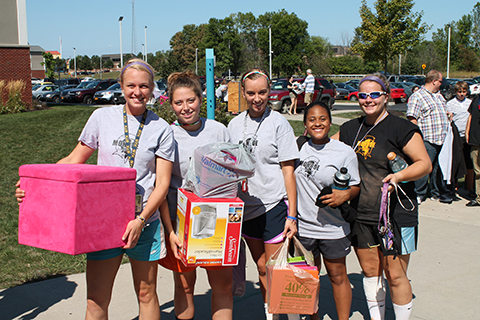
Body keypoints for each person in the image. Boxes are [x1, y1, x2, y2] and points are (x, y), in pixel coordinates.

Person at [16, 58, 175, 320]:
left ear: (152, 89)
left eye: (144, 86)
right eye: (131, 85)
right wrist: (35, 184)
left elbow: (162, 184)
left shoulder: (161, 129)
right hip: (104, 223)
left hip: (144, 222)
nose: (138, 92)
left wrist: (140, 219)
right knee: (96, 301)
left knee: (147, 294)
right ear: (121, 86)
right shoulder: (102, 117)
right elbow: (72, 160)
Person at [332, 73, 431, 320]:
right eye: (363, 95)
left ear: (386, 97)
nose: (368, 100)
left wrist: (398, 177)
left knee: (395, 274)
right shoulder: (350, 129)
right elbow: (324, 147)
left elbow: (424, 164)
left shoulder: (402, 128)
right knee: (370, 272)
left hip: (396, 215)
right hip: (361, 214)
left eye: (374, 94)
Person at [158, 71, 233, 320]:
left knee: (222, 286)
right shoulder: (167, 134)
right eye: (178, 102)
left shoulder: (218, 130)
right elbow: (162, 185)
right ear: (171, 104)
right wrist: (170, 232)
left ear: (201, 99)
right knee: (185, 287)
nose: (186, 107)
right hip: (181, 225)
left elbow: (232, 173)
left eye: (191, 100)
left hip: (217, 223)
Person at [227, 68, 299, 320]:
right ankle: (270, 314)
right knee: (260, 267)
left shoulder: (279, 123)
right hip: (245, 207)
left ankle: (280, 315)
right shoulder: (234, 124)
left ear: (270, 92)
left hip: (273, 204)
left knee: (275, 269)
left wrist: (293, 214)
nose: (257, 98)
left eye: (262, 92)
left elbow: (288, 171)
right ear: (243, 93)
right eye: (251, 93)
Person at [295, 101, 360, 320]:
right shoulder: (297, 148)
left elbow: (355, 186)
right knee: (308, 279)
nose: (318, 123)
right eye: (312, 119)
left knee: (337, 275)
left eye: (322, 118)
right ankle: (314, 317)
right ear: (305, 124)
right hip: (303, 227)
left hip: (333, 227)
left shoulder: (344, 152)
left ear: (330, 122)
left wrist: (346, 194)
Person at [407, 70, 451, 204]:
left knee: (438, 168)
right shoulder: (418, 96)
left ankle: (435, 192)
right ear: (434, 81)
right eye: (440, 81)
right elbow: (412, 118)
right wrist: (416, 137)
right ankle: (418, 193)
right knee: (424, 167)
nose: (441, 84)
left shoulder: (439, 96)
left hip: (442, 139)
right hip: (427, 138)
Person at [446, 81, 475, 199]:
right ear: (455, 92)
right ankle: (454, 186)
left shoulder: (470, 103)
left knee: (469, 163)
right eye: (459, 92)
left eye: (464, 92)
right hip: (456, 136)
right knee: (455, 161)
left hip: (468, 135)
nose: (462, 94)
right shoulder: (450, 103)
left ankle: (470, 187)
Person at [465, 94, 480, 207]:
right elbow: (470, 116)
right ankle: (478, 197)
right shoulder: (476, 99)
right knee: (477, 170)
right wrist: (467, 132)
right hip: (476, 139)